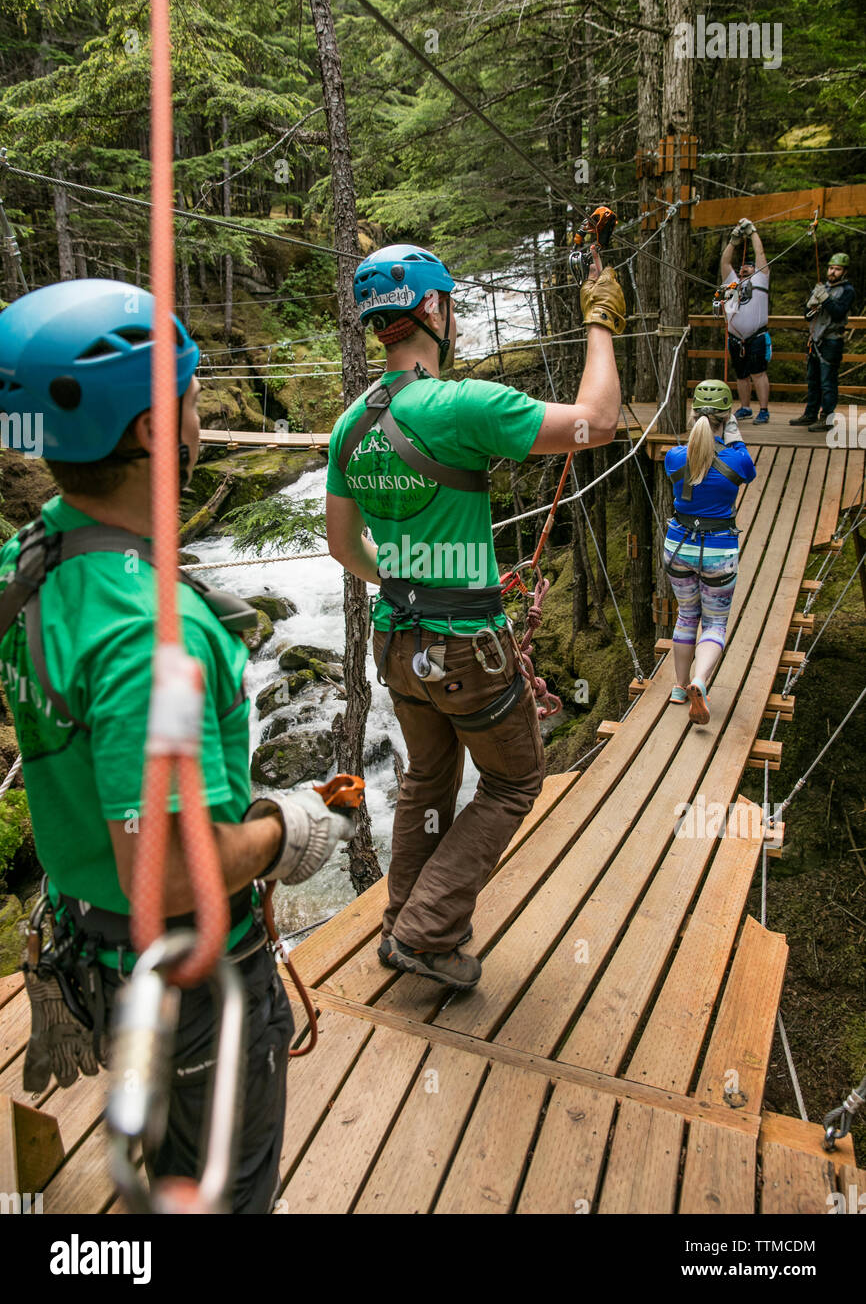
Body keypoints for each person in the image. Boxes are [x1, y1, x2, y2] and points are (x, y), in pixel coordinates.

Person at [0, 279, 352, 1214]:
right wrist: (292, 827)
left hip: (94, 947)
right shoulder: (151, 633)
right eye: (193, 397)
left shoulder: (28, 565)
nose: (203, 416)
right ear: (158, 429)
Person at [326, 243, 624, 991]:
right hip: (465, 650)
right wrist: (601, 322)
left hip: (397, 640)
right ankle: (426, 932)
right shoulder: (462, 405)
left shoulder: (349, 427)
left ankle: (403, 920)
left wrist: (399, 576)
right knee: (514, 782)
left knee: (428, 778)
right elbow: (598, 422)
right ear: (433, 310)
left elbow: (341, 545)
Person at [663, 379, 756, 726]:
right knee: (714, 623)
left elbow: (689, 466)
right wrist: (734, 433)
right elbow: (746, 465)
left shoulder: (674, 458)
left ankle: (677, 686)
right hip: (718, 552)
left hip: (678, 548)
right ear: (726, 417)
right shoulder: (737, 460)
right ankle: (699, 681)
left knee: (687, 616)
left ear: (693, 416)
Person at [789, 252, 856, 432]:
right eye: (831, 268)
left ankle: (826, 417)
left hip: (831, 340)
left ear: (844, 272)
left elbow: (838, 312)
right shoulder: (822, 287)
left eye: (837, 269)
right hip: (816, 339)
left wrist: (825, 299)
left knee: (828, 381)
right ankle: (810, 413)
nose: (833, 272)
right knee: (813, 379)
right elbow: (806, 316)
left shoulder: (847, 290)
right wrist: (811, 304)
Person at [719, 217, 772, 425]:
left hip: (756, 334)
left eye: (749, 267)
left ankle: (764, 409)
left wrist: (752, 233)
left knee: (758, 373)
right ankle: (745, 407)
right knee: (741, 375)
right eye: (742, 267)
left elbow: (760, 255)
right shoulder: (733, 283)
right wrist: (733, 241)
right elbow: (724, 262)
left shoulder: (761, 279)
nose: (744, 269)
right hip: (735, 337)